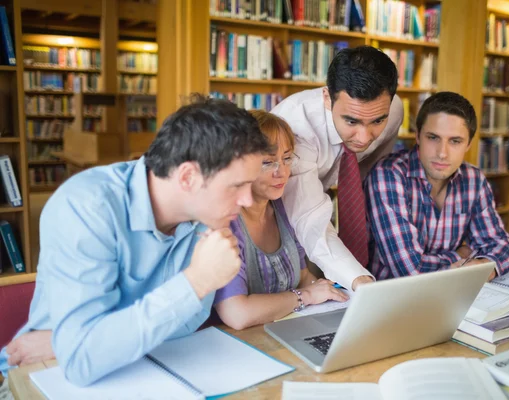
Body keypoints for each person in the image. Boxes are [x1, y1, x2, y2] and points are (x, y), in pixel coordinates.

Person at [0, 95, 271, 386]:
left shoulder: (209, 216)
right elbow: (81, 360)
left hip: (141, 370)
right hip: (40, 376)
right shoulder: (85, 206)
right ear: (188, 177)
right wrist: (195, 283)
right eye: (237, 186)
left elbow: (186, 323)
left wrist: (72, 341)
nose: (246, 200)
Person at [271, 45, 404, 292]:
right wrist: (359, 281)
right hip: (278, 210)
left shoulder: (394, 110)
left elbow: (372, 166)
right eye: (351, 121)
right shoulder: (296, 129)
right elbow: (309, 220)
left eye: (377, 121)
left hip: (327, 194)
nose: (364, 137)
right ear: (326, 98)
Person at [214, 110, 349, 330]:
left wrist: (336, 296)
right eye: (268, 162)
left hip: (285, 331)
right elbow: (236, 313)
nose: (282, 172)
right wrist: (305, 296)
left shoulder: (284, 207)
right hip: (236, 345)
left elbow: (303, 276)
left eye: (286, 159)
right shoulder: (225, 222)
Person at [365, 91, 509, 281]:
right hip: (393, 299)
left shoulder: (474, 180)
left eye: (455, 141)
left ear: (468, 145)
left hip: (452, 292)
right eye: (433, 138)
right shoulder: (388, 175)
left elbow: (503, 246)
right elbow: (409, 269)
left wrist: (485, 265)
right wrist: (462, 255)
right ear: (418, 136)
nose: (442, 153)